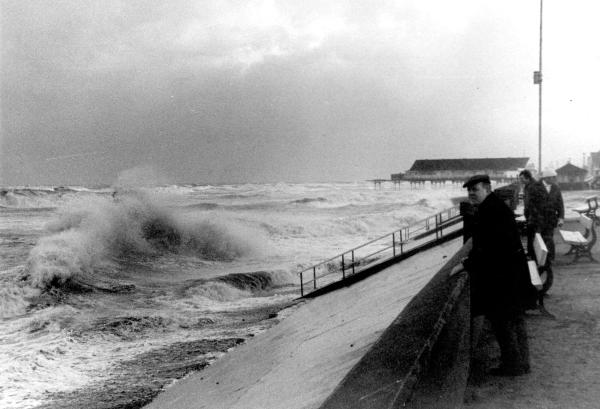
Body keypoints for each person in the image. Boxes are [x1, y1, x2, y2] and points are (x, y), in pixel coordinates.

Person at [451, 174, 536, 376]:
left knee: (502, 320)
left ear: (487, 189)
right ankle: (521, 363)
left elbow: (487, 248)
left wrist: (465, 263)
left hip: (504, 276)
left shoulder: (490, 211)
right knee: (514, 320)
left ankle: (513, 366)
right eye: (469, 190)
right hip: (512, 272)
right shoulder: (494, 206)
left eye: (475, 189)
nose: (471, 193)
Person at [519, 169, 548, 259]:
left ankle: (533, 256)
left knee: (534, 235)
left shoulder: (534, 186)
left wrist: (533, 215)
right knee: (531, 235)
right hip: (531, 216)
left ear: (528, 178)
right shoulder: (528, 186)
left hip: (536, 217)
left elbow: (539, 203)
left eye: (522, 178)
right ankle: (531, 253)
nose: (520, 180)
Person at [539, 170, 564, 264]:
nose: (555, 179)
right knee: (541, 238)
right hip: (539, 219)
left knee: (549, 237)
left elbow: (560, 204)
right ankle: (542, 258)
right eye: (553, 177)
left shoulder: (556, 187)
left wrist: (561, 218)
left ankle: (550, 259)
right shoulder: (536, 187)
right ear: (546, 178)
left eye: (554, 177)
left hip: (551, 219)